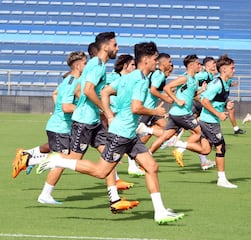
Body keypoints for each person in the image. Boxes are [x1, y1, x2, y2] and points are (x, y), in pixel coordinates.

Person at [36, 41, 185, 224]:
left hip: (128, 133)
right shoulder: (138, 79)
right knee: (101, 171)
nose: (157, 62)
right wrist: (156, 112)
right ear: (146, 60)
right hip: (120, 134)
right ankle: (58, 160)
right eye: (155, 59)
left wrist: (109, 115)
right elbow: (136, 107)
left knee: (152, 167)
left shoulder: (131, 77)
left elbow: (106, 91)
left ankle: (160, 211)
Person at [12, 51, 87, 186]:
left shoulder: (70, 80)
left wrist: (59, 110)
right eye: (85, 63)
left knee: (65, 156)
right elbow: (66, 107)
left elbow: (56, 93)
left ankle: (28, 156)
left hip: (61, 126)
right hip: (60, 127)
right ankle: (28, 160)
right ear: (77, 65)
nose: (87, 66)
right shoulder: (73, 81)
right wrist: (82, 110)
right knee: (62, 158)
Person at [164, 55, 238, 188]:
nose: (234, 70)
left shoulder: (226, 82)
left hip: (208, 120)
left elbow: (211, 99)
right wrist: (218, 114)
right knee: (221, 147)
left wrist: (226, 106)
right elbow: (204, 101)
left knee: (205, 150)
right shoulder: (217, 83)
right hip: (209, 121)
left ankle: (179, 143)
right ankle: (222, 179)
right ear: (224, 69)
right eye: (232, 68)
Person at [148, 54, 204, 168]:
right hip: (182, 114)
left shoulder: (193, 79)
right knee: (200, 132)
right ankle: (179, 147)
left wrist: (202, 90)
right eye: (198, 64)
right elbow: (166, 88)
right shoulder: (184, 78)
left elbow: (191, 95)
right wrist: (177, 100)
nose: (200, 66)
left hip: (176, 114)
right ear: (191, 65)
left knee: (164, 137)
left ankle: (146, 157)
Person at [105, 54, 145, 177]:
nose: (135, 67)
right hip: (114, 115)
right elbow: (104, 92)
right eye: (132, 65)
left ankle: (131, 167)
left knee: (129, 139)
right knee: (108, 151)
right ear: (125, 65)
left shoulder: (131, 79)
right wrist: (108, 114)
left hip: (122, 115)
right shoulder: (114, 77)